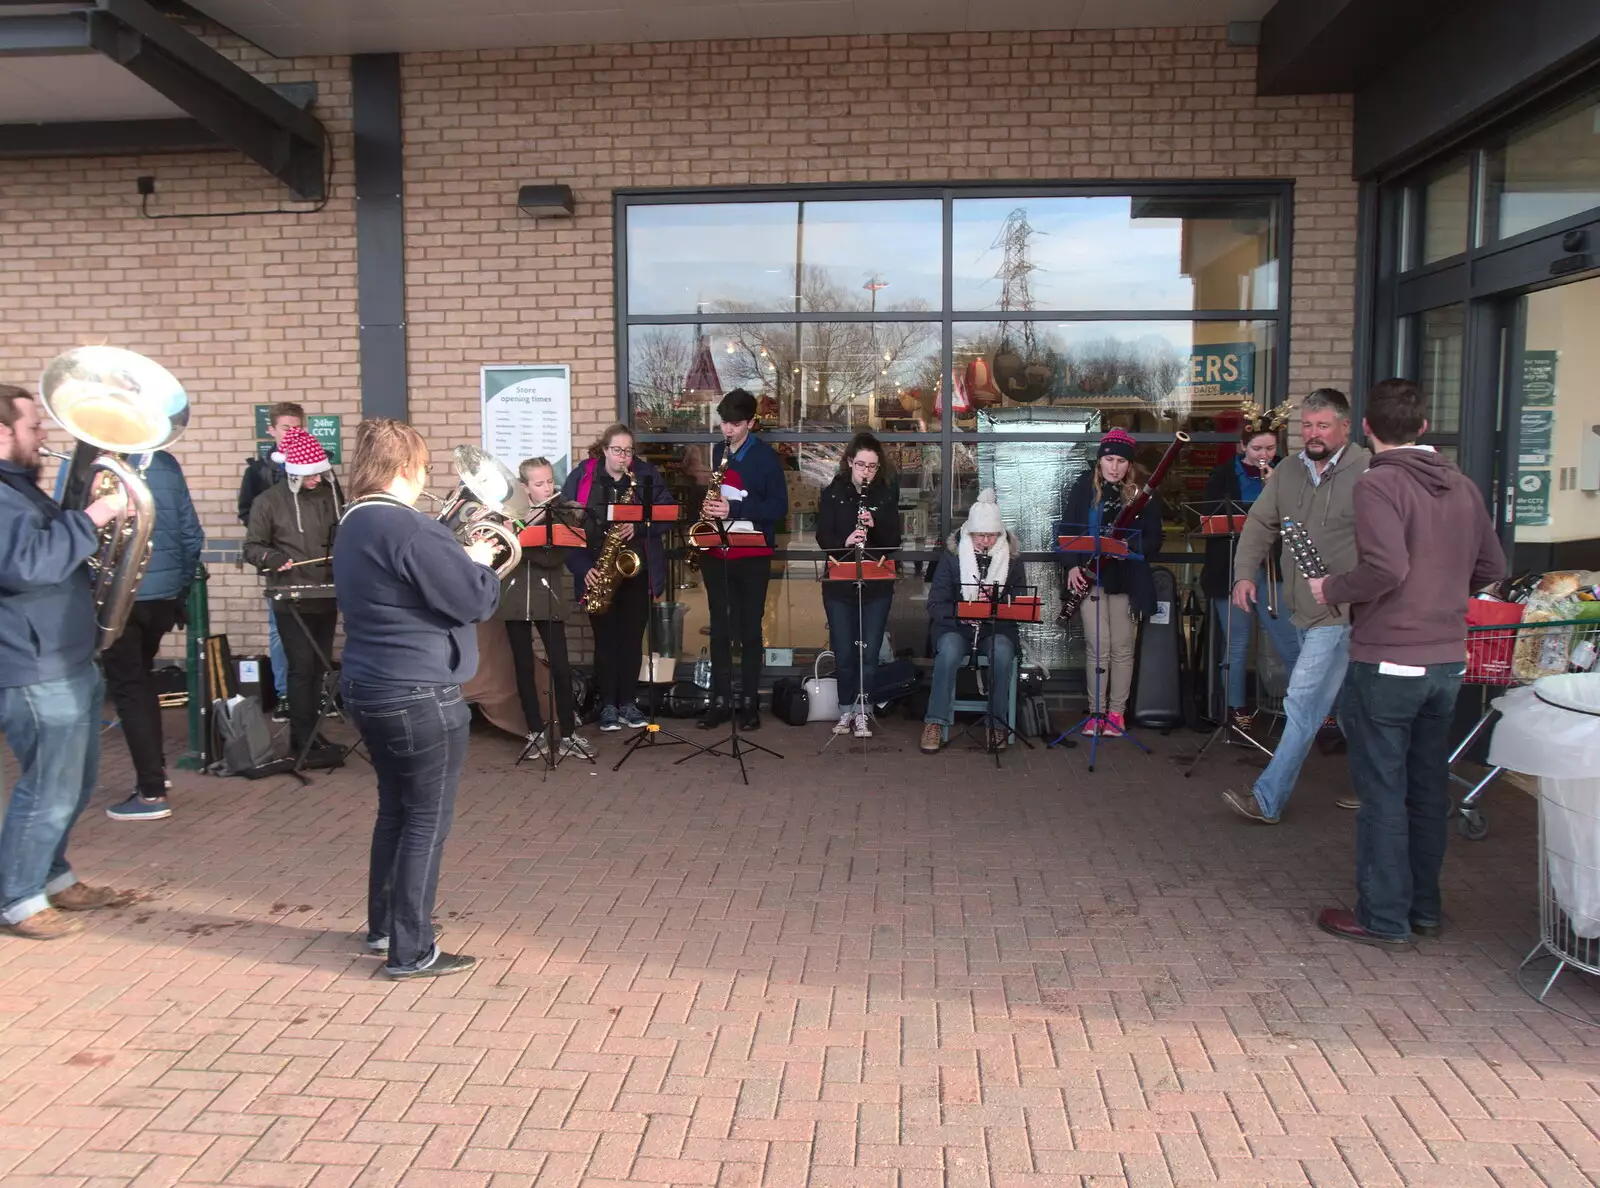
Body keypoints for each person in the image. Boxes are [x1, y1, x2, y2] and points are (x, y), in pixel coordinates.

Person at [1308, 380, 1505, 945]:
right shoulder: (1463, 486)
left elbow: (1387, 569)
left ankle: (1382, 917)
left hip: (1389, 658)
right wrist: (1440, 591)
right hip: (1446, 660)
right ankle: (1423, 909)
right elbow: (1492, 564)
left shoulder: (1378, 484)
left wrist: (1333, 587)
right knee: (1426, 789)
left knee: (1382, 792)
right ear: (1423, 428)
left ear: (1366, 430)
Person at [333, 418, 502, 978]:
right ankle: (412, 948)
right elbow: (472, 602)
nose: (428, 477)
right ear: (407, 469)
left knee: (395, 812)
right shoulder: (411, 528)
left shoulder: (353, 522)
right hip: (417, 690)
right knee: (426, 822)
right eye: (425, 467)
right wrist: (477, 562)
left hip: (367, 682)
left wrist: (453, 554)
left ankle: (384, 927)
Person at [0, 385, 132, 940]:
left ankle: (53, 876)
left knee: (75, 783)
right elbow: (27, 565)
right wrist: (96, 515)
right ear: (3, 433)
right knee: (47, 787)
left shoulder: (21, 490)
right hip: (34, 667)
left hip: (65, 657)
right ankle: (18, 898)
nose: (43, 435)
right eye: (33, 426)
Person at [1223, 388, 1371, 824]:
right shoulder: (1288, 470)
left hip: (1343, 612)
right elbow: (1260, 523)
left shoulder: (1368, 471)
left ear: (1345, 426)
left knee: (1302, 701)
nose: (1313, 433)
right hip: (1299, 609)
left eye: (1322, 425)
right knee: (1347, 705)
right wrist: (1244, 573)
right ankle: (1385, 785)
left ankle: (1268, 800)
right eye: (1306, 425)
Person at [103, 450, 205, 822]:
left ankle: (150, 791)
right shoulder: (166, 463)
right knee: (141, 681)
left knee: (130, 688)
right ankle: (155, 772)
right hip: (161, 596)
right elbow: (192, 534)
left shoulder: (95, 463)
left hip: (119, 599)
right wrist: (177, 591)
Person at [562, 424, 674, 732]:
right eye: (617, 450)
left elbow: (668, 514)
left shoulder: (646, 476)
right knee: (606, 642)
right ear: (604, 449)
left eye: (628, 451)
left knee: (631, 640)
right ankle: (608, 704)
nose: (623, 457)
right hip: (598, 570)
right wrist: (585, 570)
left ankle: (628, 703)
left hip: (636, 571)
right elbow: (565, 531)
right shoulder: (582, 478)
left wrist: (638, 527)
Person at [242, 426, 343, 763]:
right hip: (291, 597)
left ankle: (313, 736)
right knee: (301, 668)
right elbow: (252, 546)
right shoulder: (268, 502)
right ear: (294, 473)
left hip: (325, 596)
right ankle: (301, 742)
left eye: (320, 473)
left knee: (318, 668)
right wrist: (271, 558)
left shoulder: (330, 496)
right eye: (310, 475)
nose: (317, 480)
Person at [1059, 429, 1163, 737]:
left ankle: (1116, 713)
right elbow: (1068, 530)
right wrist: (1071, 567)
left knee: (1121, 648)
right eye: (1108, 459)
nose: (1114, 467)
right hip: (1091, 578)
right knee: (1097, 647)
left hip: (1125, 578)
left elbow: (1155, 539)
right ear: (1100, 460)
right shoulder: (1083, 487)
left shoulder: (1142, 494)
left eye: (1120, 461)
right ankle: (1096, 712)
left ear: (1129, 464)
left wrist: (1129, 546)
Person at [1199, 421, 1302, 730]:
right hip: (1231, 568)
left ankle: (1305, 708)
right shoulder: (1222, 475)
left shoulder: (1287, 473)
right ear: (1242, 446)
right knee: (1237, 643)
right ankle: (1236, 709)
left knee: (1289, 642)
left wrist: (1277, 487)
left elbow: (1300, 518)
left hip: (1273, 571)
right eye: (1257, 448)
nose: (1264, 455)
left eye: (1270, 448)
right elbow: (1209, 519)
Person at [695, 389, 788, 732]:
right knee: (720, 627)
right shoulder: (718, 452)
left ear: (751, 422)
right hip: (718, 551)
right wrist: (708, 509)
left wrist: (735, 508)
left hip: (752, 555)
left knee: (750, 628)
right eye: (723, 423)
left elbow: (779, 508)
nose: (727, 430)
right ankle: (720, 701)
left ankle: (749, 702)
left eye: (735, 424)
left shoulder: (766, 458)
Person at [499, 457, 588, 760]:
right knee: (523, 667)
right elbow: (497, 554)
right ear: (524, 487)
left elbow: (554, 558)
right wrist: (511, 532)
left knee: (560, 667)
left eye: (549, 481)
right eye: (539, 484)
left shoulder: (562, 514)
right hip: (513, 598)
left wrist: (523, 540)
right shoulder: (507, 513)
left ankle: (568, 733)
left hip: (547, 597)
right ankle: (534, 732)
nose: (547, 487)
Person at [921, 489, 1023, 754]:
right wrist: (962, 611)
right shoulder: (953, 556)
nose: (985, 542)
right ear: (970, 533)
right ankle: (934, 722)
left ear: (1001, 535)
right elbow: (935, 603)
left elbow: (1020, 601)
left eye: (991, 536)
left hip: (995, 627)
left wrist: (996, 605)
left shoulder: (1011, 560)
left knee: (1002, 652)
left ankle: (996, 722)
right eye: (980, 536)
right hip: (957, 627)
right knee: (949, 652)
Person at [815, 433, 902, 738]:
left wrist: (875, 529)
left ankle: (863, 712)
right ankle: (845, 711)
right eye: (861, 464)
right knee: (844, 650)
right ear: (850, 461)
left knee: (869, 651)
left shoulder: (886, 493)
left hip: (876, 585)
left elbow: (894, 542)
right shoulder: (832, 493)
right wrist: (845, 541)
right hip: (840, 585)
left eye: (873, 467)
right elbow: (823, 536)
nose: (866, 472)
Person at [238, 402, 303, 719]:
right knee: (279, 631)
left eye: (297, 427)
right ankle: (285, 694)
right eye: (287, 428)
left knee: (311, 630)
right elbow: (246, 513)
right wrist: (270, 544)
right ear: (272, 431)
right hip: (278, 565)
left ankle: (309, 693)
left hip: (309, 566)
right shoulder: (257, 472)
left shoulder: (315, 467)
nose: (293, 433)